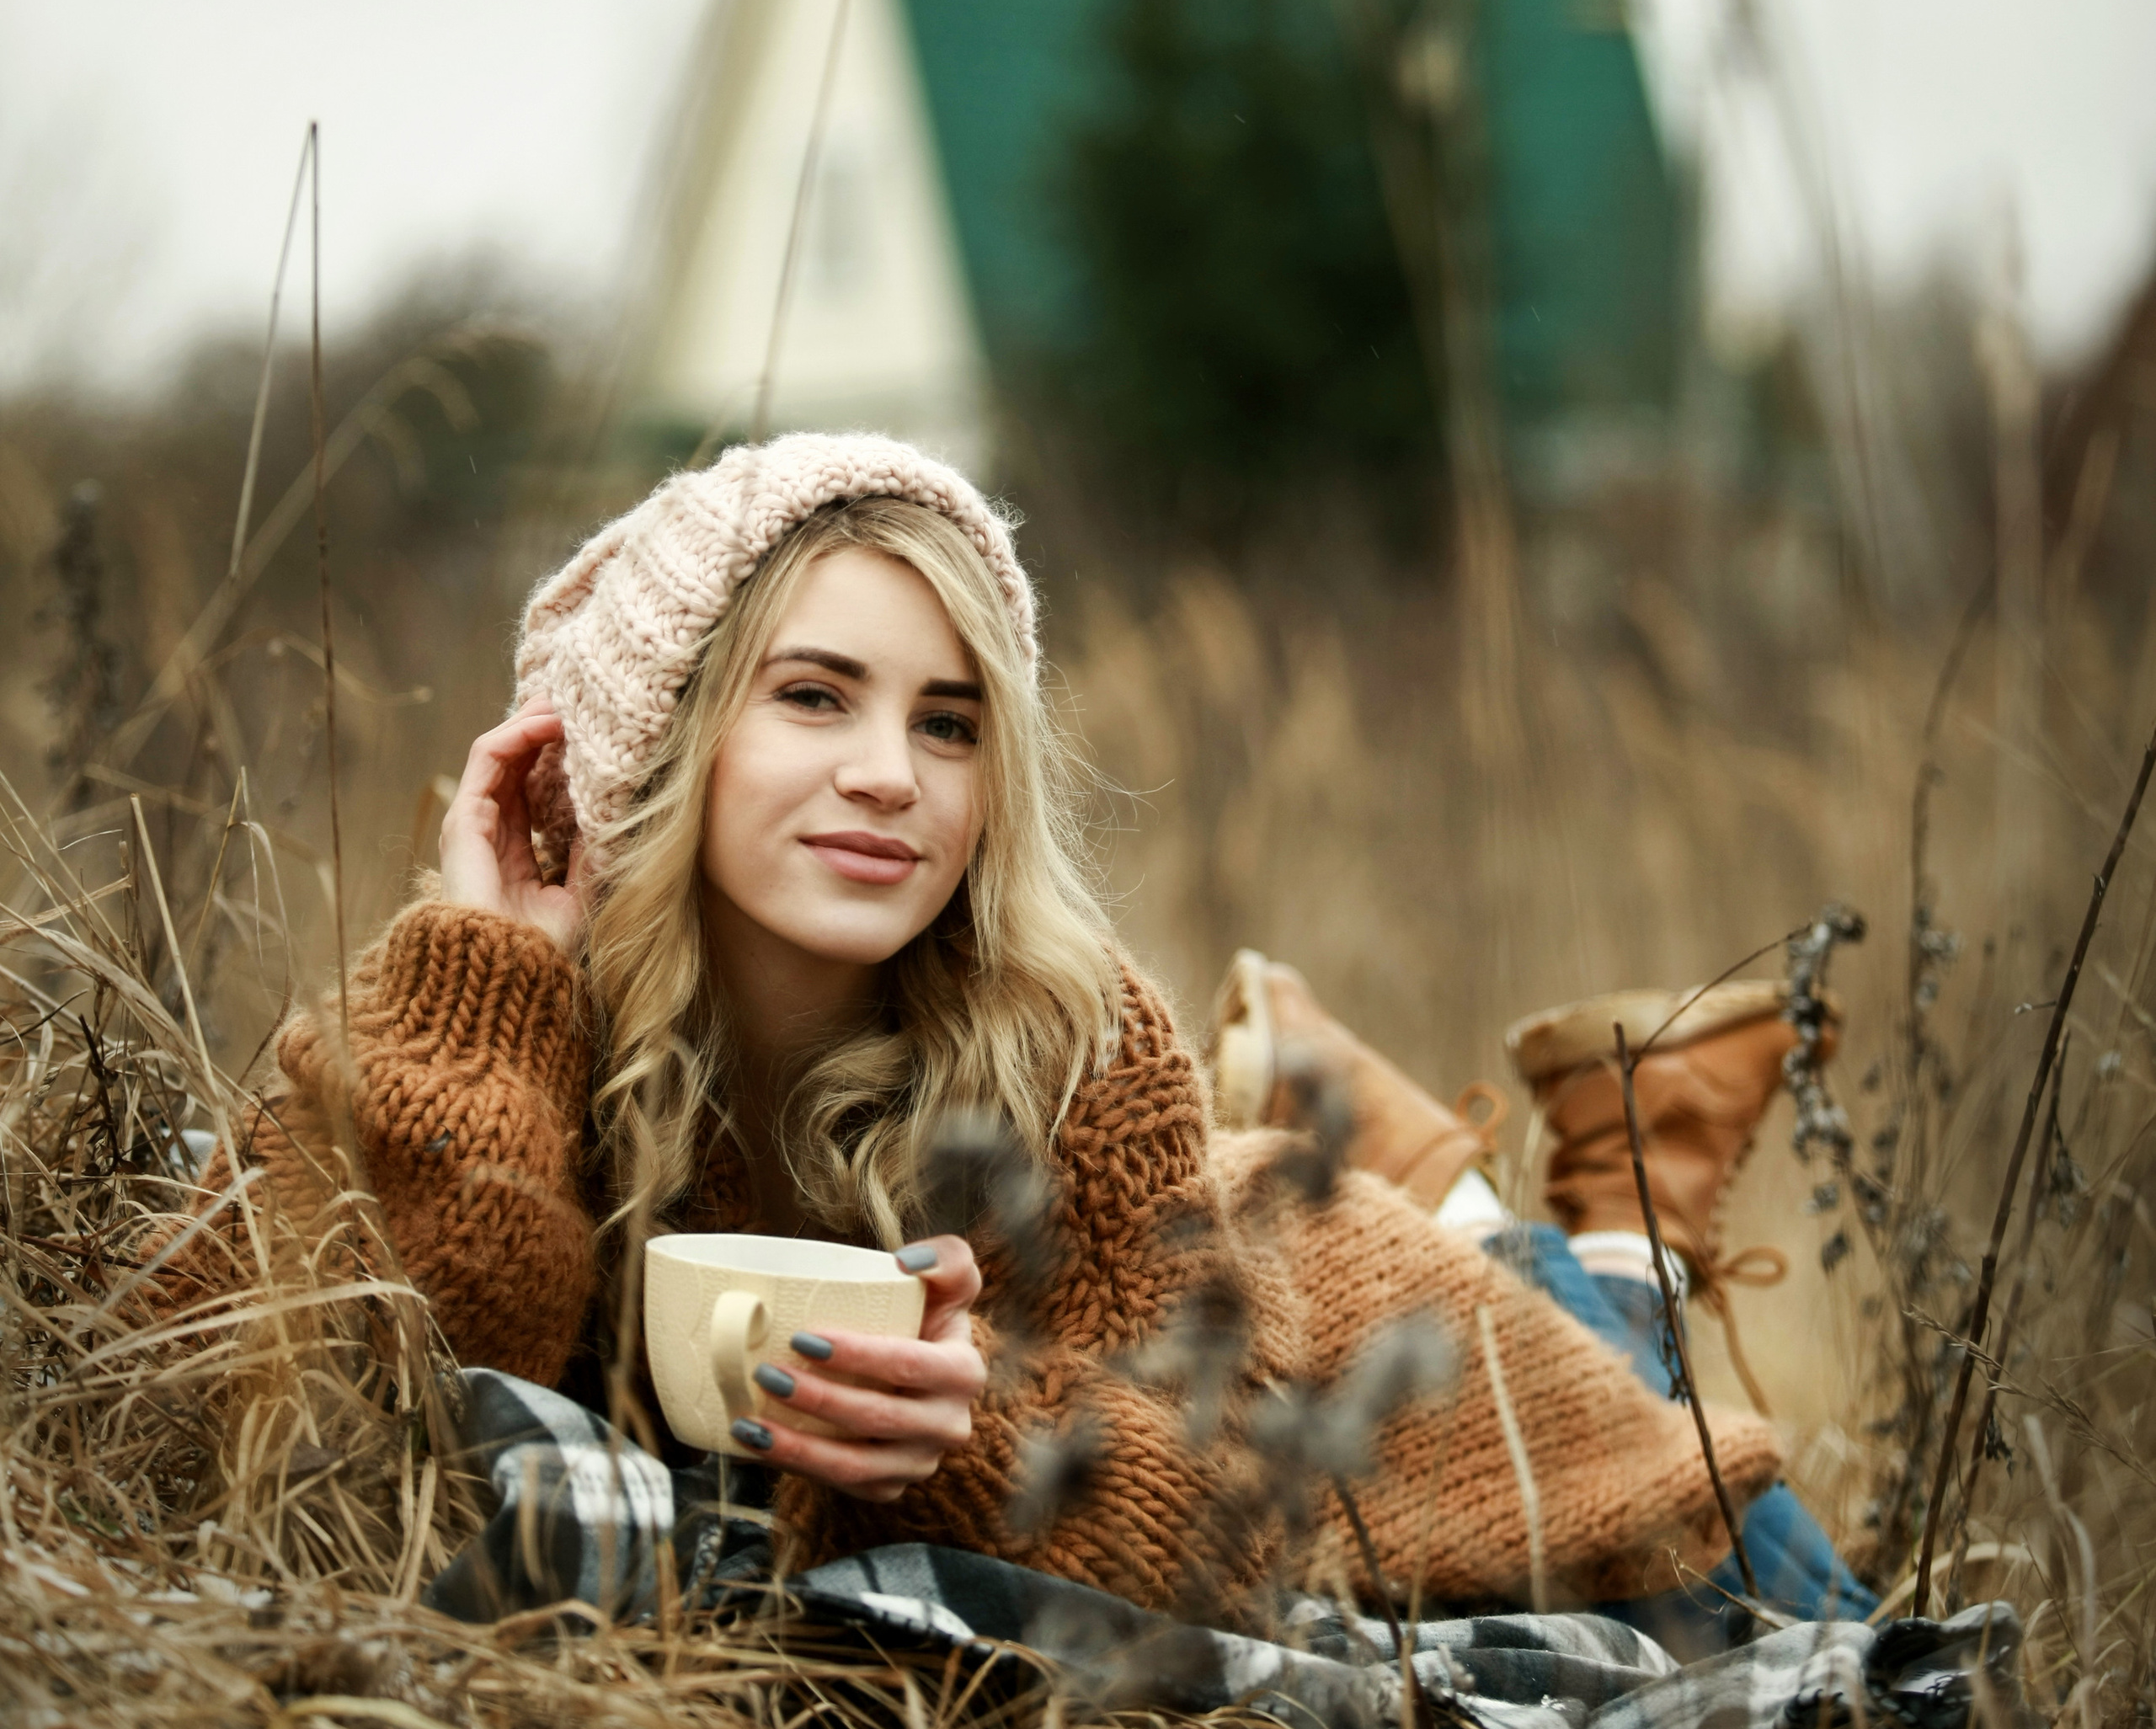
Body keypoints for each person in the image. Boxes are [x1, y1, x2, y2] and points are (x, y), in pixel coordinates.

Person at [244, 431, 1852, 1639]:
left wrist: (975, 1441)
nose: (895, 774)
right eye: (816, 697)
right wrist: (494, 990)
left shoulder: (1069, 1055)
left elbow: (1228, 1538)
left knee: (1858, 1656)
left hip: (1390, 1340)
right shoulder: (451, 1021)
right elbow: (313, 1422)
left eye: (949, 723)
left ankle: (1587, 1218)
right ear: (645, 741)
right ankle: (1561, 1186)